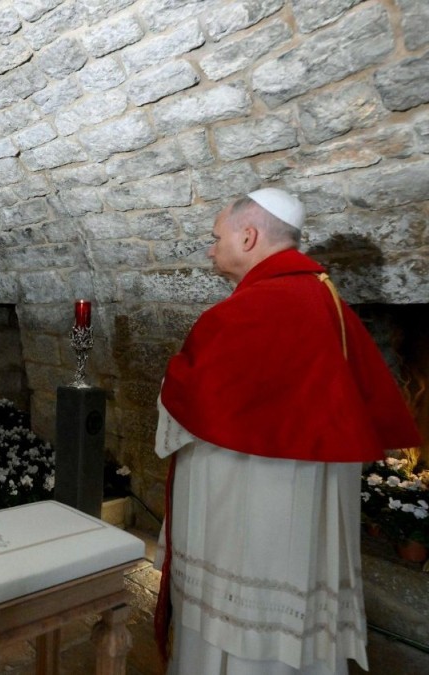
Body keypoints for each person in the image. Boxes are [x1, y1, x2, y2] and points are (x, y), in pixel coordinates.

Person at [153, 188, 421, 674]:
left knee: (235, 615)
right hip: (305, 518)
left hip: (245, 512)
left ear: (248, 236)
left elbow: (186, 398)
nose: (210, 250)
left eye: (216, 238)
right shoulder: (330, 302)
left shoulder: (243, 312)